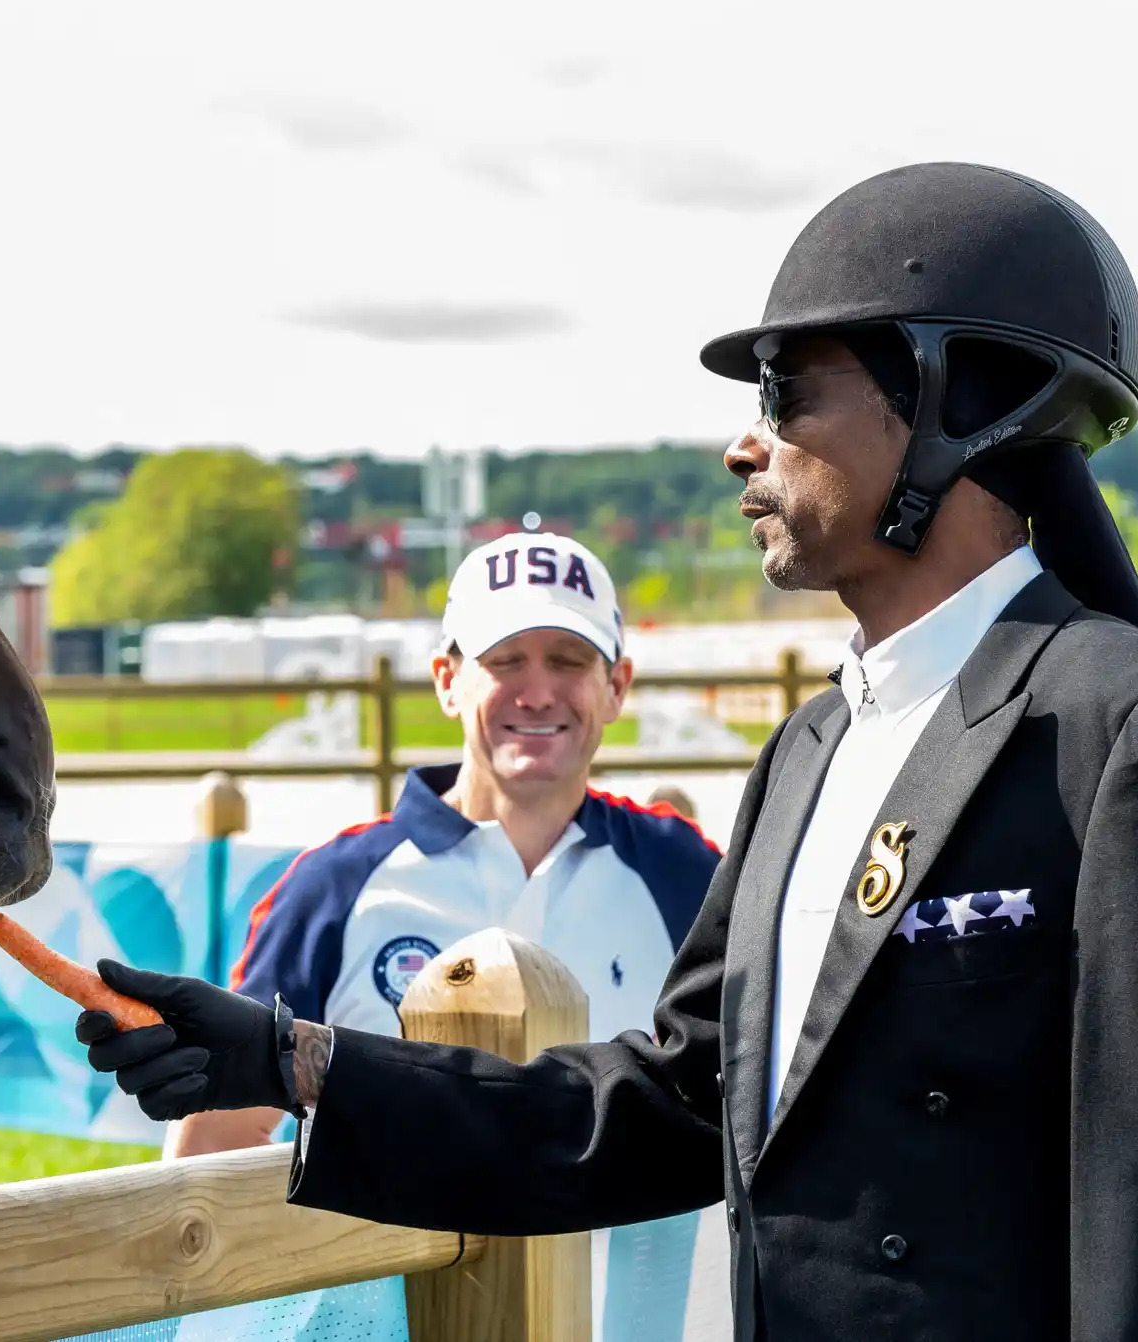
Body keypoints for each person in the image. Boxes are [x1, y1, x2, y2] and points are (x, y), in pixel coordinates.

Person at [75, 164, 1138, 1340]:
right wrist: (295, 1061)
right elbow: (670, 1105)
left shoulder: (1134, 733)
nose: (746, 443)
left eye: (788, 393)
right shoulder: (809, 748)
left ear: (955, 409)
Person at [167, 533, 727, 1337]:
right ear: (446, 680)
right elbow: (220, 1144)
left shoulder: (686, 873)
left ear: (618, 685)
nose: (537, 692)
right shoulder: (335, 885)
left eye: (569, 659)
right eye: (506, 661)